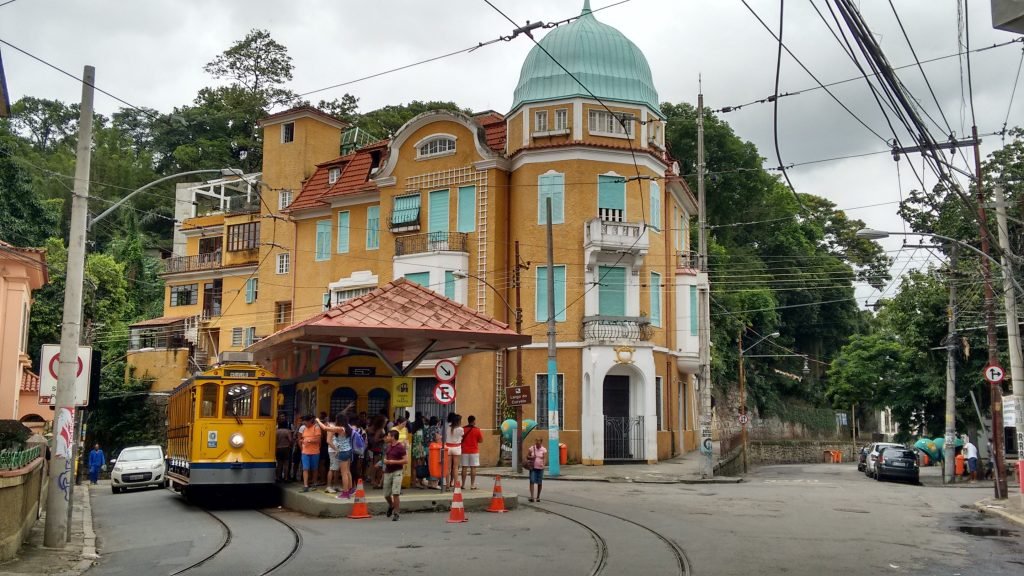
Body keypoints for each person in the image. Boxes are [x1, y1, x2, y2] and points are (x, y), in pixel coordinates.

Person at [318, 414, 354, 498]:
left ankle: (345, 493)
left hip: (343, 452)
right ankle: (350, 489)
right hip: (348, 450)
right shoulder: (348, 427)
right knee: (348, 471)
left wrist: (318, 421)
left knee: (344, 473)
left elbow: (325, 428)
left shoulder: (340, 429)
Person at [382, 429, 408, 521]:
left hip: (397, 471)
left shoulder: (400, 447)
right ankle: (391, 505)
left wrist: (394, 462)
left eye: (389, 436)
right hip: (388, 471)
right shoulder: (388, 446)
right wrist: (385, 460)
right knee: (386, 494)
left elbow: (406, 460)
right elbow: (386, 456)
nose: (387, 437)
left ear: (393, 437)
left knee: (395, 493)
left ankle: (396, 513)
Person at [299, 414, 322, 492]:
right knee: (305, 468)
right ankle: (306, 485)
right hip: (305, 452)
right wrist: (302, 442)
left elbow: (318, 440)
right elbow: (302, 438)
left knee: (314, 468)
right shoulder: (304, 428)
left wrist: (309, 441)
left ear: (310, 421)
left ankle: (314, 483)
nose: (304, 424)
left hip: (315, 452)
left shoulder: (316, 427)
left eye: (305, 423)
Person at [461, 415, 484, 490]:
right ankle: (472, 485)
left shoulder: (463, 429)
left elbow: (460, 439)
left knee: (464, 467)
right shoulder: (477, 430)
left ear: (468, 420)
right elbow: (481, 440)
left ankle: (463, 484)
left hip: (464, 451)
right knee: (473, 468)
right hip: (474, 451)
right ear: (473, 421)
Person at [445, 413, 464, 488]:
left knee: (448, 468)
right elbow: (462, 436)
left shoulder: (448, 428)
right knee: (455, 467)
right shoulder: (460, 429)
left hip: (448, 447)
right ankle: (456, 484)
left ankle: (447, 485)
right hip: (457, 448)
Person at [526, 436, 547, 502]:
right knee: (532, 481)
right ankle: (532, 497)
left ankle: (538, 497)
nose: (537, 444)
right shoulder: (532, 448)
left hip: (540, 468)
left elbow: (544, 458)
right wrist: (531, 456)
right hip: (533, 468)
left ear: (541, 442)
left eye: (539, 443)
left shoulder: (543, 449)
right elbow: (527, 456)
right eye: (536, 442)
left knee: (539, 482)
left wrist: (544, 465)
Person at [275, 416, 293, 482]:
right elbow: (290, 440)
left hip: (278, 449)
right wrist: (290, 445)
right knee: (286, 464)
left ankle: (278, 477)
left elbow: (275, 441)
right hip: (286, 448)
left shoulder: (276, 431)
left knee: (279, 464)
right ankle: (285, 478)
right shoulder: (287, 431)